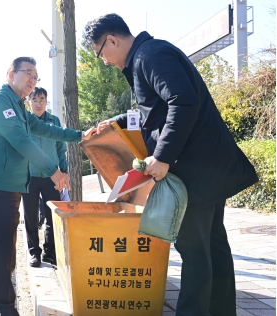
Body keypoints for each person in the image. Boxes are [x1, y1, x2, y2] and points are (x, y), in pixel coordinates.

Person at [83, 14, 258, 316]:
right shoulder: (148, 56)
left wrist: (162, 156)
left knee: (194, 251)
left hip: (195, 173)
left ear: (111, 40)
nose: (105, 62)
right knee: (212, 245)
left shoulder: (151, 56)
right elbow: (154, 112)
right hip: (207, 169)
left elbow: (182, 101)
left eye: (101, 55)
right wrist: (116, 122)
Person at [0, 56, 92, 316]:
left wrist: (82, 135)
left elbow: (45, 129)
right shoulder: (0, 101)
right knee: (4, 254)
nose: (32, 80)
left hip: (9, 187)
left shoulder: (18, 107)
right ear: (10, 74)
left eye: (36, 77)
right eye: (27, 73)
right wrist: (54, 171)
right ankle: (7, 310)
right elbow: (20, 140)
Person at [21, 87, 66, 268]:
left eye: (42, 100)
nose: (38, 104)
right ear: (29, 102)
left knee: (51, 215)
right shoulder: (24, 121)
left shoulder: (54, 122)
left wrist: (64, 170)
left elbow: (61, 147)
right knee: (30, 217)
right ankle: (34, 253)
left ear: (46, 102)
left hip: (51, 176)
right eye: (35, 100)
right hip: (29, 176)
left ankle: (50, 253)